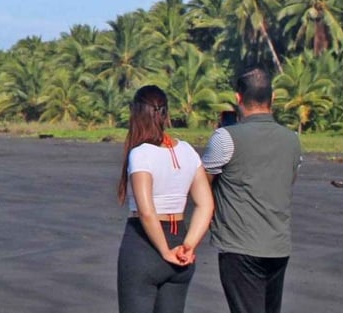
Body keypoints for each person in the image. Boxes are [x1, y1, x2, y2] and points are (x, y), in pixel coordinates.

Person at [202, 67, 301, 313]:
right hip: (278, 245)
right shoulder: (292, 140)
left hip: (240, 246)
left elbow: (202, 185)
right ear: (273, 98)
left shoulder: (225, 137)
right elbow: (288, 180)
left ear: (238, 98)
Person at [116, 85, 214, 313]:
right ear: (165, 114)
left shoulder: (140, 153)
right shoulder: (188, 151)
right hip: (179, 239)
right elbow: (206, 205)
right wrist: (188, 246)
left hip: (144, 248)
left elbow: (146, 211)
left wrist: (163, 250)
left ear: (137, 114)